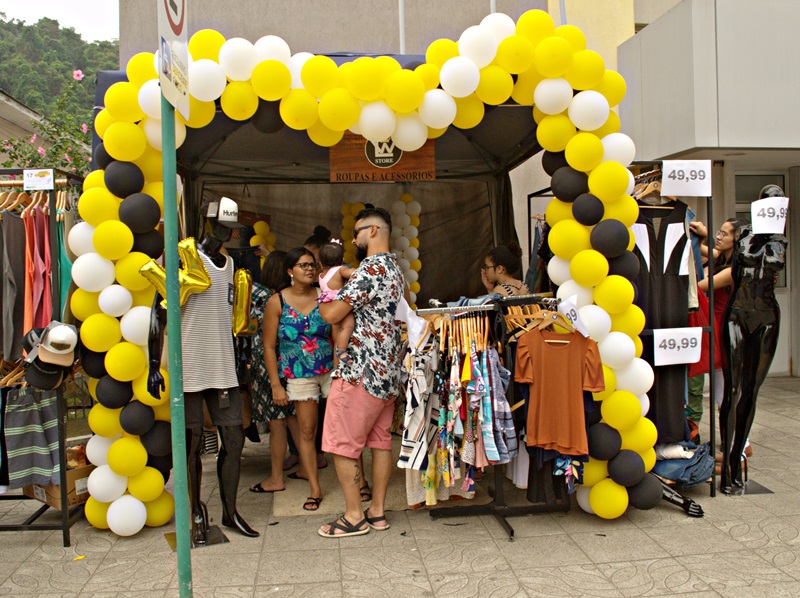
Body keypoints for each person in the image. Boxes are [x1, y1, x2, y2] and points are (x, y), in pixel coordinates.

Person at [147, 197, 258, 543]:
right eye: (219, 223)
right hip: (190, 367)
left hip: (222, 367)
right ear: (206, 221)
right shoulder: (184, 257)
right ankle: (195, 510)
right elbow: (158, 313)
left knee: (234, 440)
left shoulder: (232, 266)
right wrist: (153, 363)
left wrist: (242, 362)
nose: (224, 231)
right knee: (192, 446)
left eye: (230, 225)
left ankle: (229, 511)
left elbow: (232, 319)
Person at [317, 207, 405, 538]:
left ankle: (354, 516)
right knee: (381, 442)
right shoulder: (396, 269)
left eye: (356, 233)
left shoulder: (369, 269)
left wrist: (322, 291)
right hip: (388, 374)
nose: (352, 239)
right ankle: (377, 512)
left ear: (371, 232)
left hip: (360, 372)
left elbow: (332, 314)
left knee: (341, 445)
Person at [718, 185, 787, 493]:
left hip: (767, 314)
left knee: (751, 390)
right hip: (738, 312)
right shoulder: (745, 235)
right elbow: (738, 264)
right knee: (732, 389)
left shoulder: (780, 240)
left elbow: (775, 264)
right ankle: (727, 468)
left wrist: (772, 236)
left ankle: (737, 456)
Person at [262, 247, 333, 511]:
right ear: (290, 271)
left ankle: (359, 484)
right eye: (303, 265)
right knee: (306, 430)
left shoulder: (325, 296)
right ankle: (315, 488)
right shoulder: (277, 302)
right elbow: (269, 346)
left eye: (312, 265)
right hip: (298, 375)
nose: (309, 269)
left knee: (342, 426)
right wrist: (275, 384)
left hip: (331, 370)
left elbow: (338, 332)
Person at [248, 250, 303, 494]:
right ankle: (311, 463)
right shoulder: (292, 296)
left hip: (266, 361)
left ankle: (276, 477)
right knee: (294, 419)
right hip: (292, 360)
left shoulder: (260, 294)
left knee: (277, 422)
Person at [317, 240, 356, 363]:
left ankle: (337, 352)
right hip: (338, 303)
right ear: (342, 259)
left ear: (320, 263)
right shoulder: (340, 270)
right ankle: (341, 350)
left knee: (337, 331)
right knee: (348, 325)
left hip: (327, 303)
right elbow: (354, 273)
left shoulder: (321, 274)